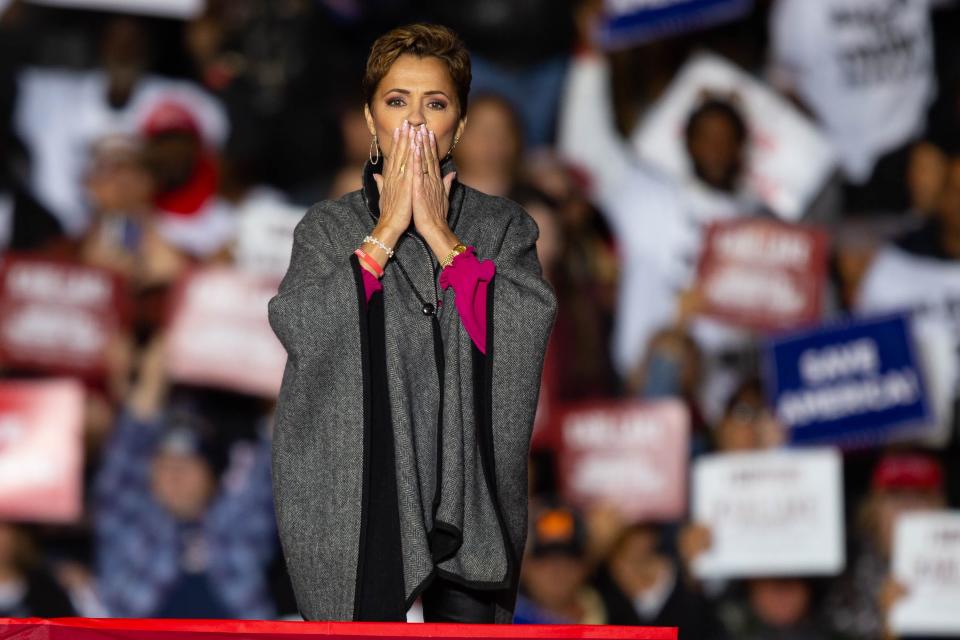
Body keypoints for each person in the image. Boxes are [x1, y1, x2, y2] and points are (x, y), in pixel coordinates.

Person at [267, 23, 557, 623]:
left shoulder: (505, 228)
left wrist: (443, 239)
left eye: (436, 103)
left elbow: (522, 332)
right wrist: (384, 235)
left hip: (467, 497)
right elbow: (303, 329)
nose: (416, 122)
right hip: (360, 497)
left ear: (463, 124)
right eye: (397, 102)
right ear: (371, 121)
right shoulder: (325, 230)